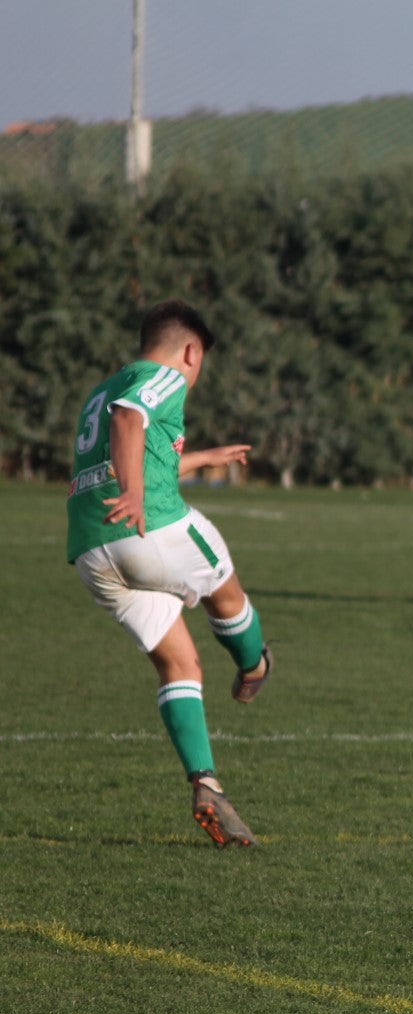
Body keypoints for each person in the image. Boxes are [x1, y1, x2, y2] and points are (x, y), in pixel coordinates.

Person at [67, 300, 273, 848]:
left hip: (94, 550)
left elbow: (133, 440)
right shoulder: (161, 376)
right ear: (190, 350)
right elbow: (130, 421)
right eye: (199, 361)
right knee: (223, 584)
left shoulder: (105, 387)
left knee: (180, 663)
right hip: (146, 525)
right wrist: (134, 491)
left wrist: (203, 458)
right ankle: (255, 663)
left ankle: (208, 785)